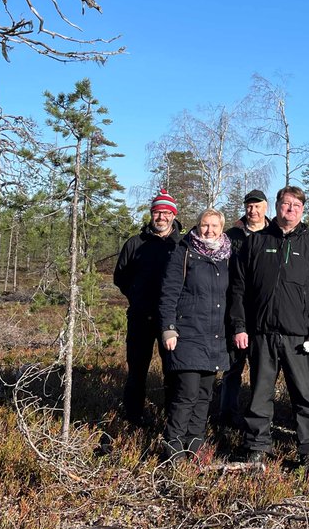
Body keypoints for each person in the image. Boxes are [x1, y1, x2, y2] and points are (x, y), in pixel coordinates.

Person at [229, 186, 309, 465]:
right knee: (260, 395)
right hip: (261, 332)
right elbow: (238, 288)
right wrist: (240, 326)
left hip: (298, 336)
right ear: (276, 206)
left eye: (297, 206)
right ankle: (257, 446)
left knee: (304, 395)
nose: (291, 209)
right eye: (286, 204)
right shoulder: (256, 242)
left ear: (302, 210)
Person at [159, 208, 231, 459]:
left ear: (222, 228)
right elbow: (168, 293)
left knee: (204, 396)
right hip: (187, 333)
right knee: (186, 395)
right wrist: (168, 329)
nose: (209, 230)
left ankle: (194, 449)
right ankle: (173, 451)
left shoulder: (227, 256)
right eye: (204, 225)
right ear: (197, 226)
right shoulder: (184, 251)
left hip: (214, 336)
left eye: (214, 226)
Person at [112, 190, 182, 426]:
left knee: (173, 372)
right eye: (156, 212)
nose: (160, 217)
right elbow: (120, 276)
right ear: (151, 215)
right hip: (140, 317)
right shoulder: (135, 243)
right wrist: (137, 296)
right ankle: (133, 418)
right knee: (137, 371)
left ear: (173, 215)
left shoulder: (182, 244)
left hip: (171, 321)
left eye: (165, 212)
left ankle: (172, 420)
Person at [216, 189, 270, 429]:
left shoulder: (274, 235)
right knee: (232, 368)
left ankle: (257, 421)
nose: (253, 210)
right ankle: (226, 418)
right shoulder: (232, 236)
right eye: (249, 206)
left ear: (266, 208)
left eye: (257, 206)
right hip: (234, 311)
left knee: (262, 373)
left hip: (263, 314)